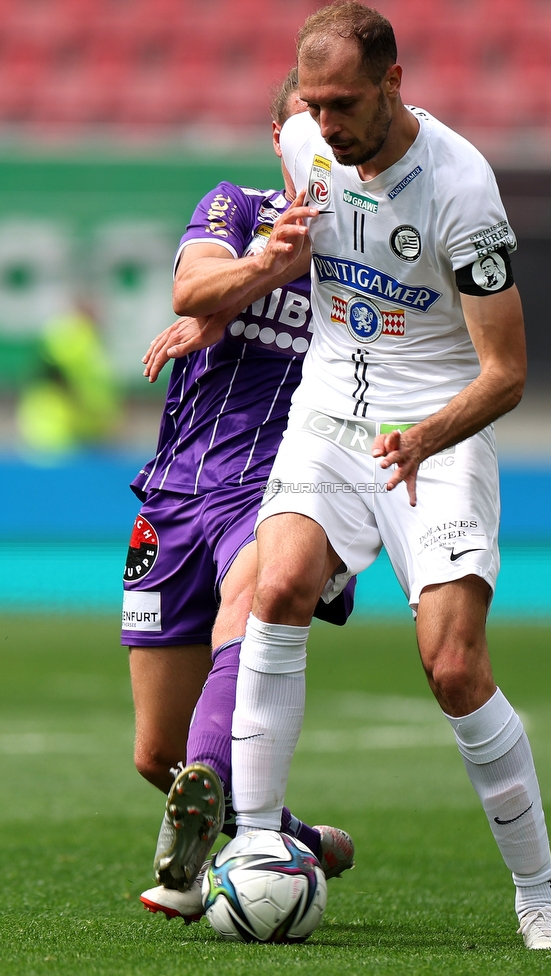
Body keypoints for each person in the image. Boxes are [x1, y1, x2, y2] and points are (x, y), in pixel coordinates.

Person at [225, 2, 551, 951]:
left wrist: (426, 436)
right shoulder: (306, 142)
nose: (326, 124)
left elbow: (506, 374)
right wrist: (237, 288)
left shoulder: (463, 187)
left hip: (438, 424)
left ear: (394, 82)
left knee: (454, 666)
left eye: (344, 103)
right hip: (329, 416)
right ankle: (256, 847)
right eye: (313, 104)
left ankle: (539, 898)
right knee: (279, 582)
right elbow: (295, 247)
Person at [122, 69, 354, 924]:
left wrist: (239, 297)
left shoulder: (367, 242)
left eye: (334, 122)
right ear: (277, 136)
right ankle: (292, 836)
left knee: (246, 607)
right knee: (163, 753)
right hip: (177, 490)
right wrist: (259, 273)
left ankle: (223, 860)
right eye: (304, 121)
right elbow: (191, 290)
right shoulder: (238, 207)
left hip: (282, 481)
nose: (319, 138)